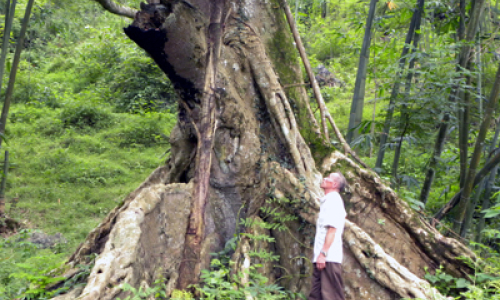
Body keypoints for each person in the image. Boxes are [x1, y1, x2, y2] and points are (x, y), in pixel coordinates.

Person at [309, 172, 347, 300]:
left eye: (328, 178)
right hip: (322, 258)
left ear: (334, 184)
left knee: (331, 295)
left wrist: (323, 254)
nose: (324, 178)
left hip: (328, 258)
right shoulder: (328, 200)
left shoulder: (334, 200)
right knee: (316, 294)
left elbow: (332, 229)